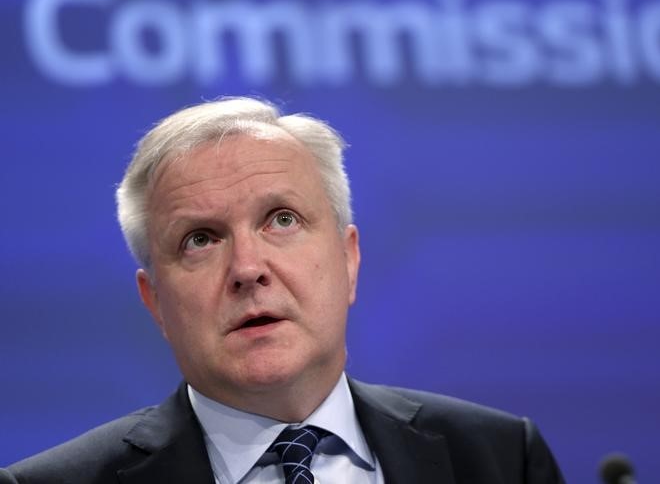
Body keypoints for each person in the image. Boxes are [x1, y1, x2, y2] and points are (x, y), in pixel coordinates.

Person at [1, 97, 565, 484]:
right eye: (200, 239)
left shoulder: (499, 458)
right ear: (156, 305)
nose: (248, 268)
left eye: (283, 220)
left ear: (348, 259)